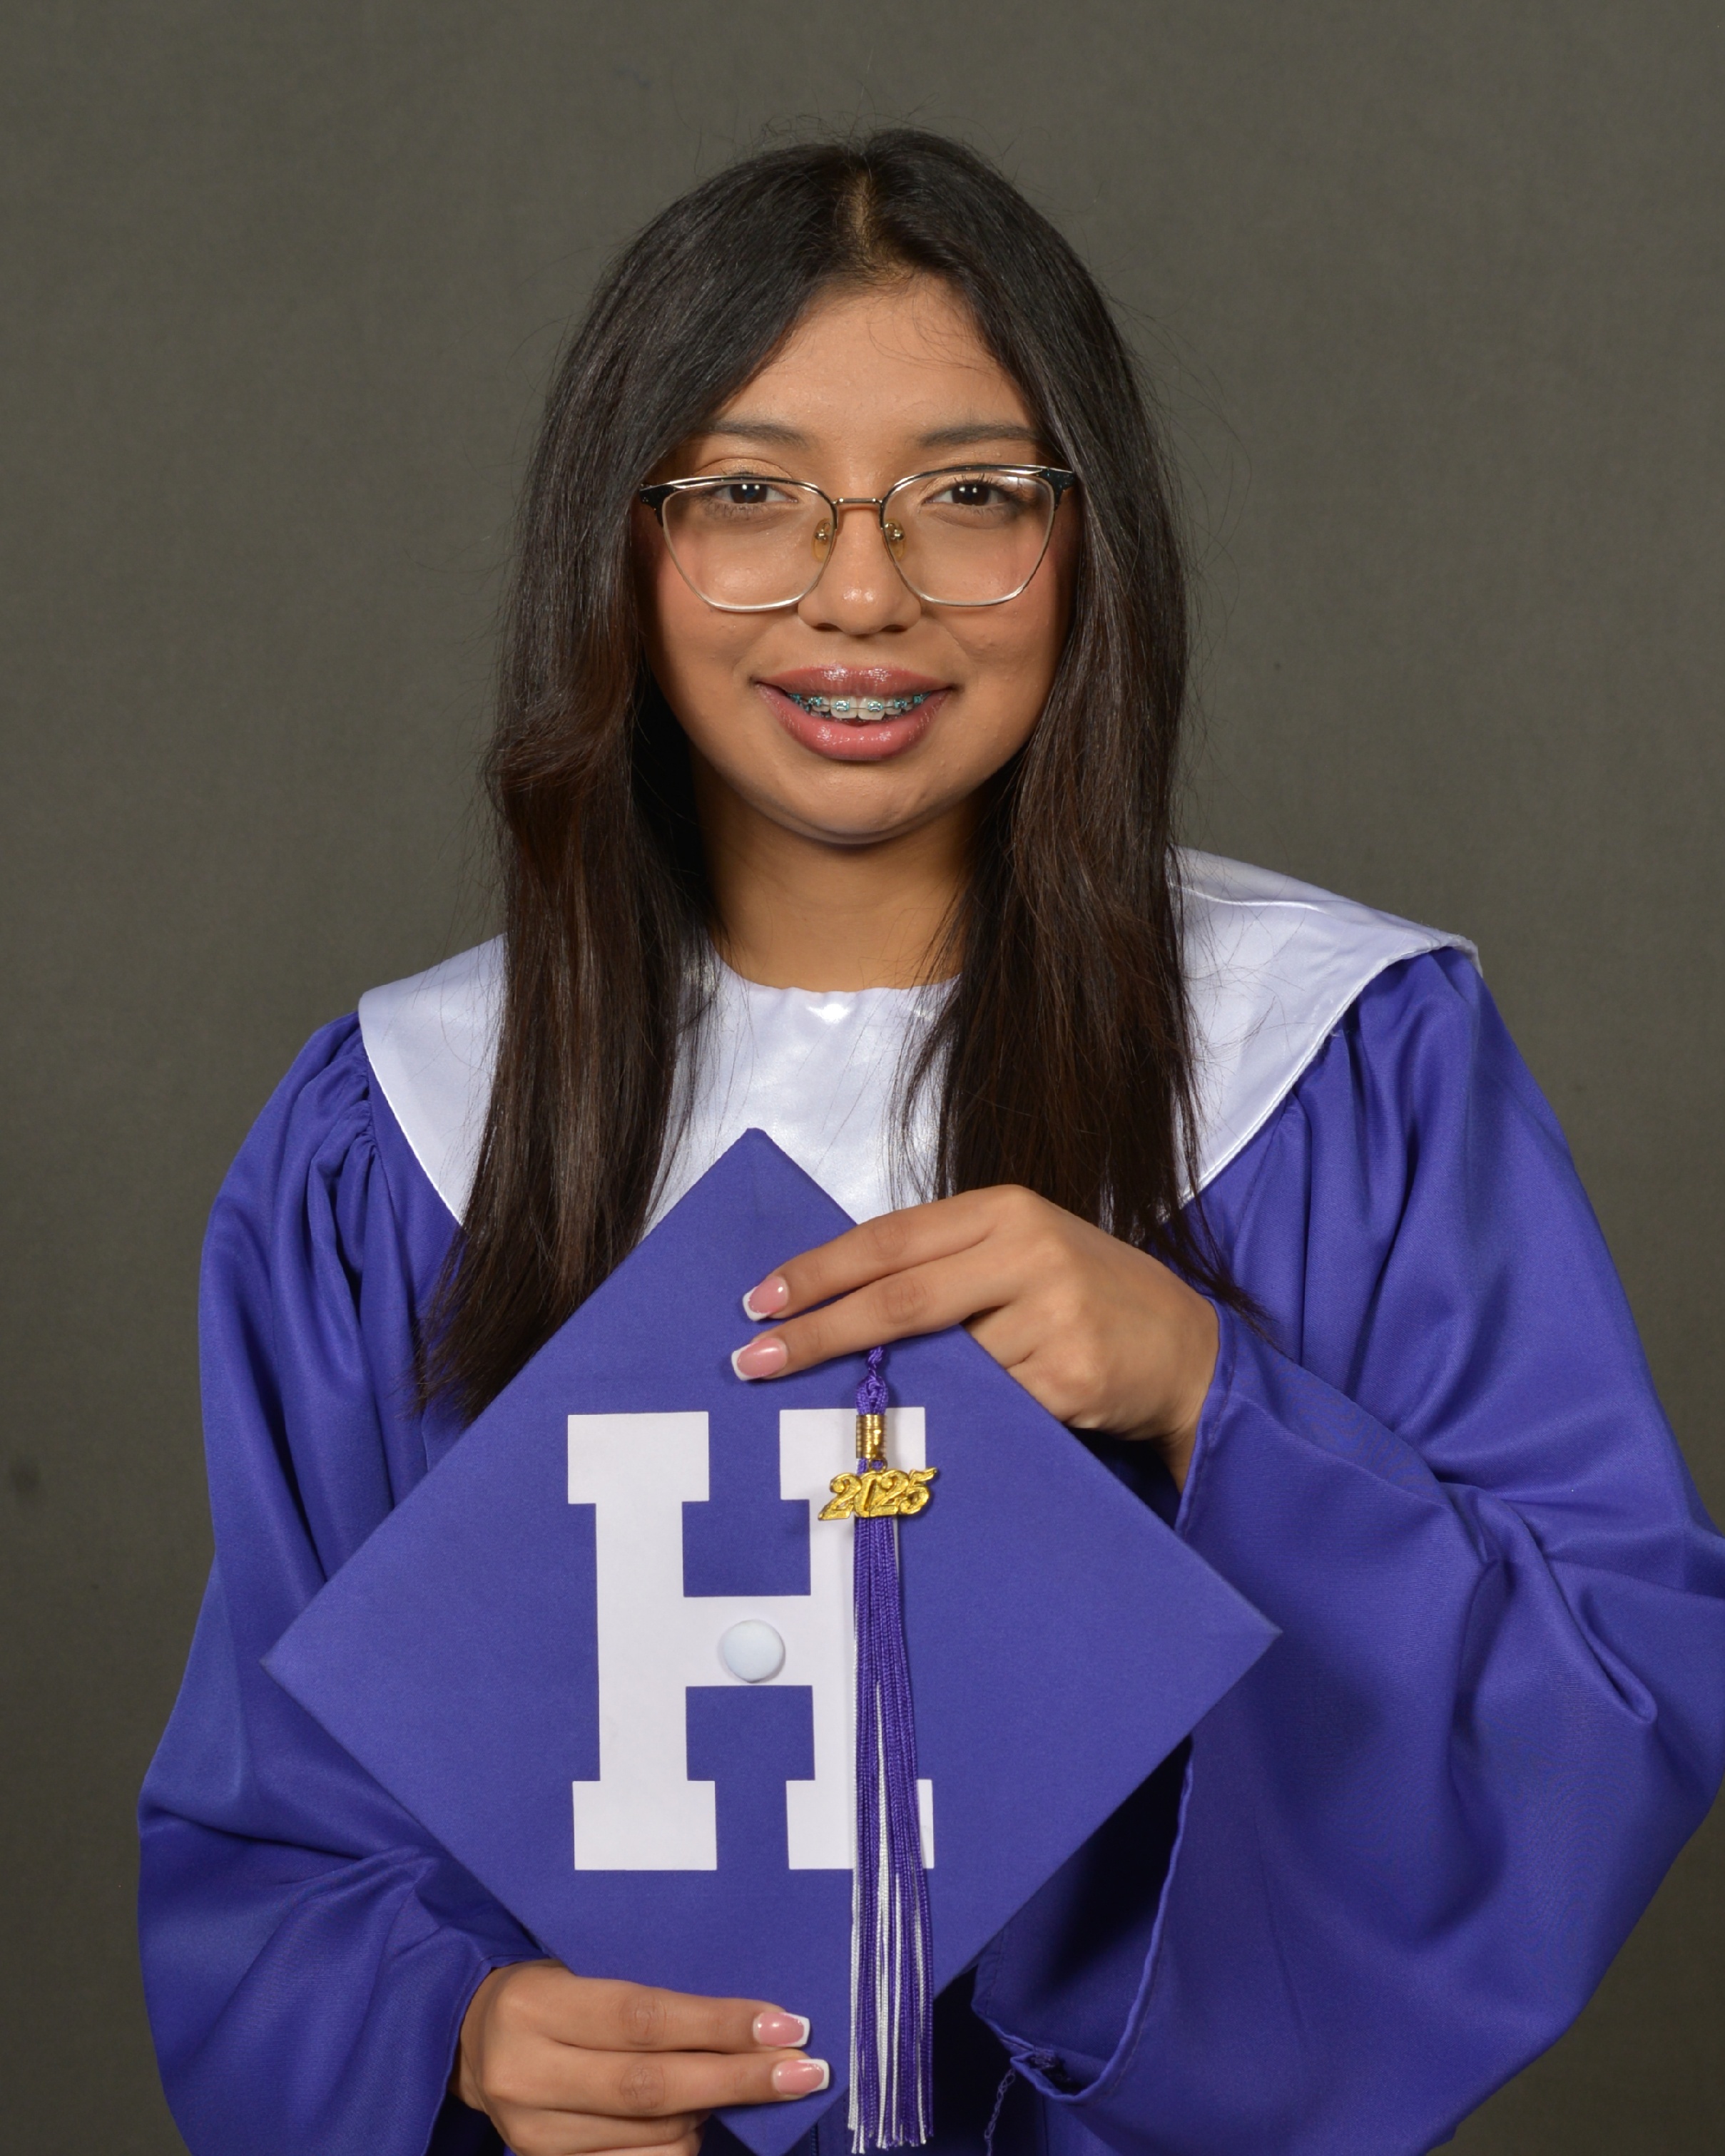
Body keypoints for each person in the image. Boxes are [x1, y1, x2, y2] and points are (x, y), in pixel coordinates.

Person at [138, 130, 1725, 2156]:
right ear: (621, 546)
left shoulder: (1335, 1064)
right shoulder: (402, 1135)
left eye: (970, 495)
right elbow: (271, 1836)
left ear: (1087, 540)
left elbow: (1601, 1692)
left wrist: (1208, 1391)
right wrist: (451, 2030)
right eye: (749, 494)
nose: (862, 593)